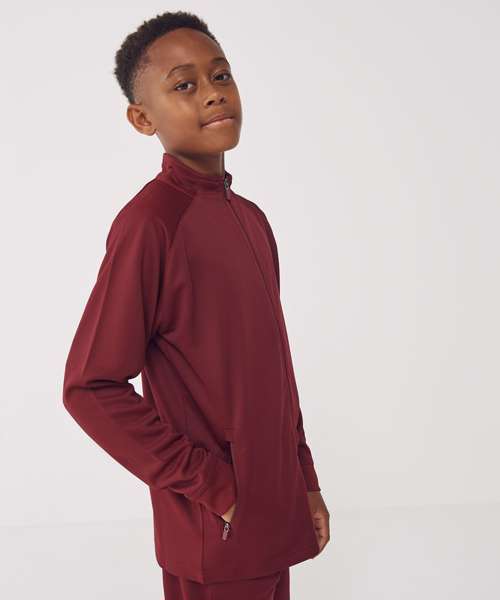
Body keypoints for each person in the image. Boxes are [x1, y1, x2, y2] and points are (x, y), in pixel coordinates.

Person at [62, 10, 330, 600]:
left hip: (273, 514)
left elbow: (274, 371)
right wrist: (216, 487)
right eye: (184, 84)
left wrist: (304, 480)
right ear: (143, 118)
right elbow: (90, 386)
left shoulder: (251, 219)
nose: (212, 93)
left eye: (220, 75)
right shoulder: (151, 224)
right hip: (218, 526)